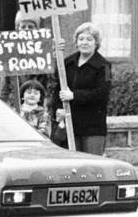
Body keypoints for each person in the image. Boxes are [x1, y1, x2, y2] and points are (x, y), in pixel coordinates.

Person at [48, 22, 112, 155]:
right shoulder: (67, 63)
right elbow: (57, 88)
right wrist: (58, 109)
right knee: (72, 165)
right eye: (81, 39)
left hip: (93, 127)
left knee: (92, 167)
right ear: (76, 42)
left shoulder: (104, 66)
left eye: (89, 39)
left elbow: (102, 93)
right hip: (71, 124)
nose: (85, 42)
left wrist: (74, 96)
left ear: (96, 43)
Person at [0, 14, 49, 110]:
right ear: (17, 29)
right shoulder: (10, 53)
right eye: (23, 27)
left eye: (30, 27)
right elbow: (4, 87)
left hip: (39, 108)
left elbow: (50, 85)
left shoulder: (44, 51)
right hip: (16, 108)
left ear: (36, 29)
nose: (26, 29)